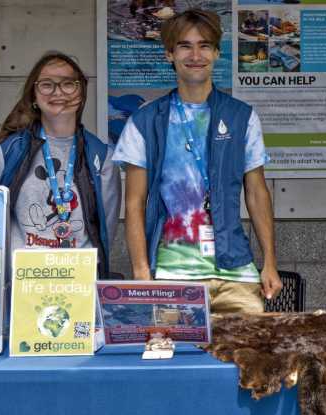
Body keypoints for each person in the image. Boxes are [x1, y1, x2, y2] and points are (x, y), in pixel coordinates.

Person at [112, 9, 282, 313]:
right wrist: (141, 271)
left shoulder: (241, 116)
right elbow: (134, 203)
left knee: (244, 357)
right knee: (175, 359)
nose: (195, 55)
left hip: (236, 273)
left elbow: (257, 192)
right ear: (169, 54)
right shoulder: (144, 120)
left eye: (204, 45)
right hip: (172, 274)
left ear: (216, 53)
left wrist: (269, 263)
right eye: (184, 46)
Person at [0, 51, 121, 278]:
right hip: (22, 279)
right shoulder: (9, 151)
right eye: (47, 85)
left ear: (81, 92)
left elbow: (106, 228)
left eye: (68, 84)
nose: (58, 92)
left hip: (79, 279)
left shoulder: (101, 156)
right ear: (33, 95)